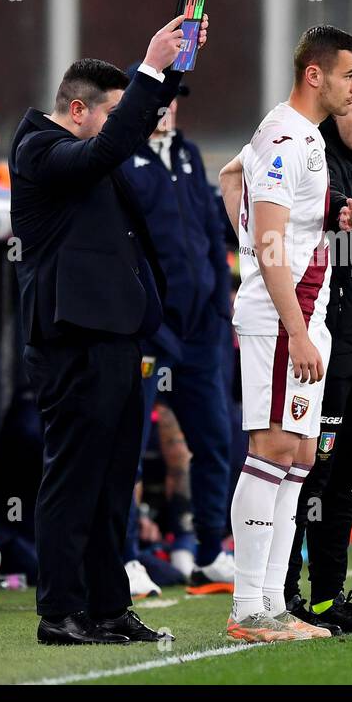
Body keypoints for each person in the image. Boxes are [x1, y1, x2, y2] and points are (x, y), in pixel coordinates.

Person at [9, 13, 202, 646]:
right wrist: (149, 66)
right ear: (76, 109)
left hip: (116, 336)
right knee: (73, 478)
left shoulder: (92, 150)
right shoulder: (40, 149)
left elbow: (119, 139)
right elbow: (110, 146)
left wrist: (171, 71)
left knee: (115, 481)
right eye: (114, 111)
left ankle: (107, 607)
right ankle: (59, 611)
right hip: (73, 340)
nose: (127, 123)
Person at [216, 24, 352, 643]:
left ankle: (272, 604)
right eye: (350, 75)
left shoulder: (295, 136)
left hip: (303, 315)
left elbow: (229, 177)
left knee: (299, 457)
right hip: (285, 320)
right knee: (273, 450)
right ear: (316, 74)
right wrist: (297, 329)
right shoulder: (286, 135)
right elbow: (272, 237)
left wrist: (334, 227)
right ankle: (250, 607)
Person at [276, 63, 352, 634]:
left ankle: (326, 598)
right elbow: (302, 246)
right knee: (309, 475)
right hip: (319, 343)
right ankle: (283, 595)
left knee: (348, 475)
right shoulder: (313, 157)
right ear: (340, 103)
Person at [119, 68, 236, 592]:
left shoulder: (187, 156)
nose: (168, 108)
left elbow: (212, 235)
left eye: (174, 100)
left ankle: (211, 550)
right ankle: (124, 556)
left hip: (199, 333)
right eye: (160, 98)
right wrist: (150, 321)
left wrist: (219, 306)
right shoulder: (121, 159)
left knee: (215, 440)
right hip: (150, 332)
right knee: (128, 445)